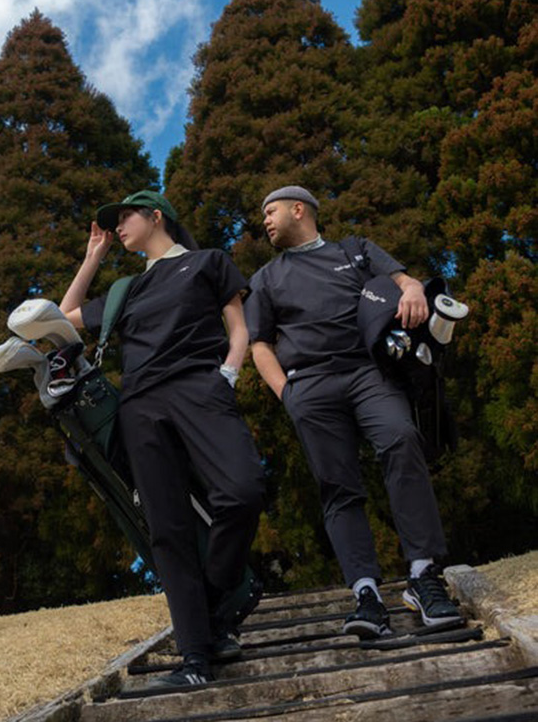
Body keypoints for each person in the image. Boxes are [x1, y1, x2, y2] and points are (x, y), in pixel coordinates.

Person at [60, 190, 265, 687]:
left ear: (156, 216)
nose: (117, 227)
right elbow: (62, 319)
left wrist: (228, 374)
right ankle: (195, 659)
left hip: (201, 389)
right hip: (141, 407)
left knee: (242, 490)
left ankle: (216, 598)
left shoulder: (206, 262)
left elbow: (238, 328)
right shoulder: (125, 289)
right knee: (168, 530)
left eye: (125, 216)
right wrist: (93, 259)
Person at [244, 185, 461, 639]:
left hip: (369, 373)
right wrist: (287, 394)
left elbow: (404, 280)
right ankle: (366, 595)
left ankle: (423, 575)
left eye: (270, 211)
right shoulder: (265, 278)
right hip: (309, 386)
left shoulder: (355, 250)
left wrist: (413, 290)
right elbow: (259, 344)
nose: (264, 221)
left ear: (298, 209)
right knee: (338, 487)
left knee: (402, 439)